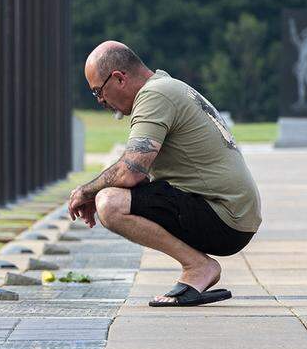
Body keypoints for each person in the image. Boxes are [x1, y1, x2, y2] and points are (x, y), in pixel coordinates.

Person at [67, 41, 262, 307]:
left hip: (225, 217)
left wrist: (86, 191)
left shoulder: (154, 96)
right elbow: (138, 171)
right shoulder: (165, 86)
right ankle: (198, 266)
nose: (101, 101)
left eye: (98, 92)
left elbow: (131, 172)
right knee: (112, 194)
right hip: (235, 215)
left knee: (109, 203)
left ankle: (198, 267)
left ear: (119, 78)